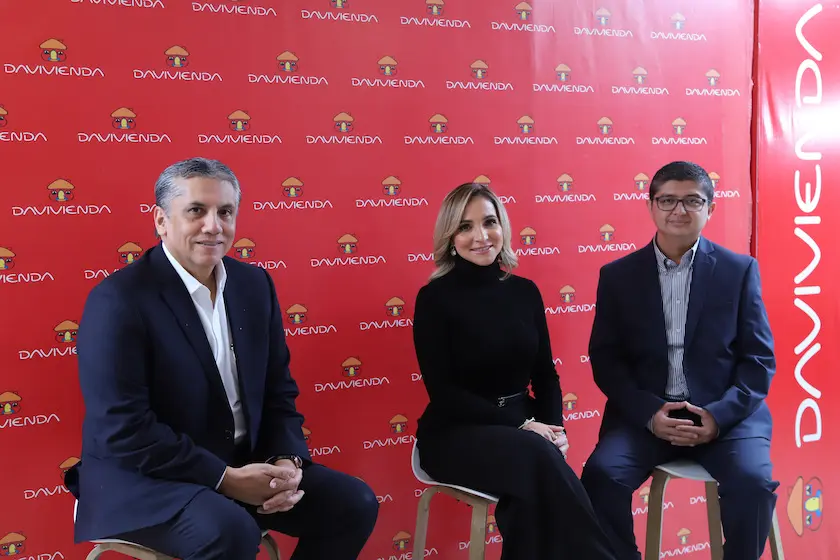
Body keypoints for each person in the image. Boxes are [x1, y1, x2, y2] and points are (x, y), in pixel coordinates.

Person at [66, 157, 378, 560]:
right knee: (230, 532)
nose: (213, 225)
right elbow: (123, 430)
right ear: (161, 221)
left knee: (353, 504)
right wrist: (224, 479)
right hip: (143, 481)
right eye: (196, 210)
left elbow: (277, 392)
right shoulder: (119, 301)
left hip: (240, 466)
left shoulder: (254, 285)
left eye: (225, 212)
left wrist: (286, 460)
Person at [580, 161, 778, 559]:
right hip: (647, 418)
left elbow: (758, 360)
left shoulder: (739, 271)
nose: (679, 210)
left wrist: (718, 416)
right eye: (667, 200)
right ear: (651, 205)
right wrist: (650, 413)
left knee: (753, 484)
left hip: (726, 417)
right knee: (601, 477)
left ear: (710, 209)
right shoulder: (618, 276)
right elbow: (606, 360)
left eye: (692, 200)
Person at [412, 182, 617, 560]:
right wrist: (524, 427)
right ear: (450, 236)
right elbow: (444, 393)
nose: (480, 236)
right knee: (534, 458)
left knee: (529, 493)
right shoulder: (434, 298)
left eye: (489, 222)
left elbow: (545, 376)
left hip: (524, 433)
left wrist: (554, 429)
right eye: (465, 226)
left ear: (502, 226)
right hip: (455, 433)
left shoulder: (525, 292)